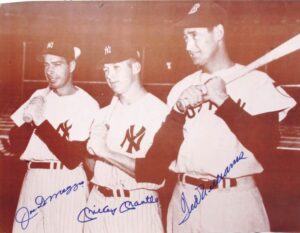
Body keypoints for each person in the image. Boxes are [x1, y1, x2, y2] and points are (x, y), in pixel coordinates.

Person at [132, 2, 297, 233]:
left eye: (194, 35)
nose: (188, 45)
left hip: (232, 201)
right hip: (184, 199)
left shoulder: (257, 83)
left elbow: (267, 146)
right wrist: (178, 113)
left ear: (218, 32)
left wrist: (223, 101)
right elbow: (157, 160)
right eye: (184, 38)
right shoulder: (182, 87)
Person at [9, 40, 99, 233]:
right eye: (46, 65)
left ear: (72, 65)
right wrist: (28, 119)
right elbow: (15, 143)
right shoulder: (39, 94)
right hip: (32, 176)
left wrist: (39, 121)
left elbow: (72, 158)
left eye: (57, 64)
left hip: (65, 180)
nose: (50, 70)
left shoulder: (87, 103)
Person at [82, 44, 169, 233]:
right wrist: (94, 153)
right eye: (106, 69)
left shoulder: (159, 112)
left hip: (137, 204)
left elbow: (154, 174)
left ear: (136, 68)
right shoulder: (103, 113)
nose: (109, 75)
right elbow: (91, 162)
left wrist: (105, 152)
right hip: (97, 201)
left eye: (116, 67)